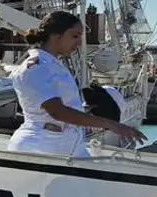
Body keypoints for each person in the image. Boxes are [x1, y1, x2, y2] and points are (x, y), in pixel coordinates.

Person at [8, 10, 145, 156]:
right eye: (75, 36)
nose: (79, 43)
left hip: (65, 145)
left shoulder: (53, 65)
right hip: (40, 147)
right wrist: (111, 124)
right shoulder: (37, 68)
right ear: (55, 35)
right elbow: (57, 111)